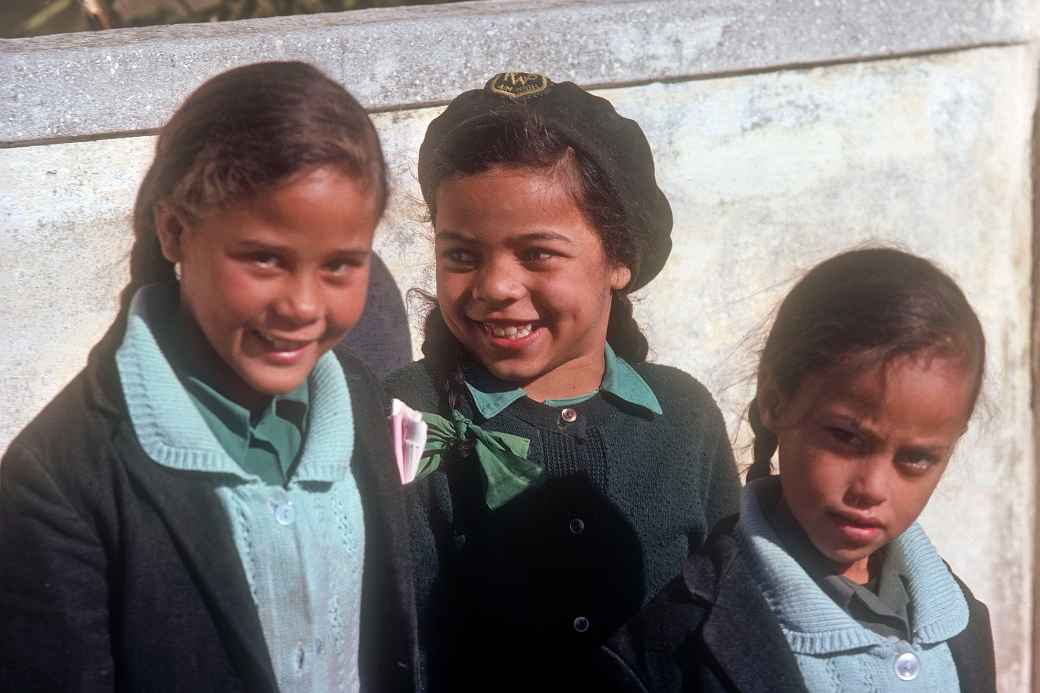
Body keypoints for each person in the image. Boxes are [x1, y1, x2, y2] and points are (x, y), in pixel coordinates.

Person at [0, 61, 415, 693]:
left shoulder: (361, 403)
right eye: (264, 259)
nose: (302, 306)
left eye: (339, 266)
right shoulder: (60, 480)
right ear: (175, 231)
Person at [383, 71, 741, 691]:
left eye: (538, 254)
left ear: (618, 258)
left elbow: (730, 623)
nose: (495, 287)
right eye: (461, 255)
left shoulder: (684, 417)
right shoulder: (404, 420)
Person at [601, 247, 996, 693]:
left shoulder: (959, 623)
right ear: (775, 400)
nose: (872, 488)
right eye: (847, 438)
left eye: (916, 459)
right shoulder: (677, 643)